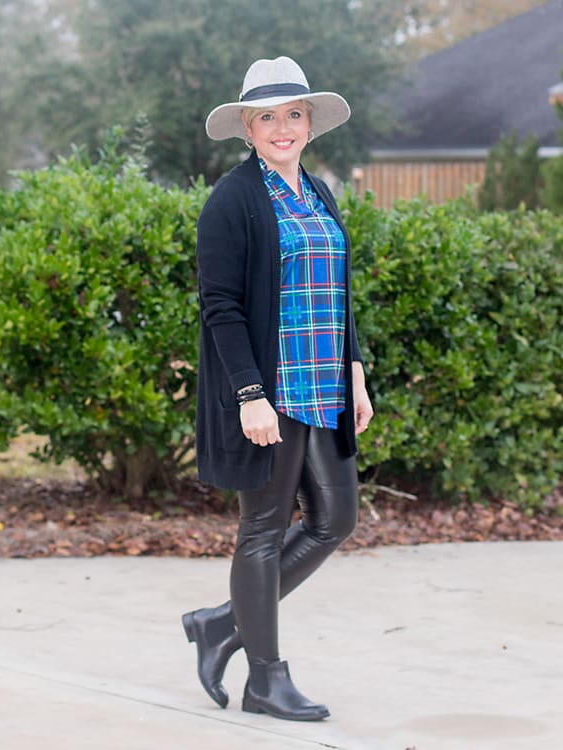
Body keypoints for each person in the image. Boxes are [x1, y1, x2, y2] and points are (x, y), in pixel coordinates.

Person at [182, 56, 374, 722]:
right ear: (247, 125)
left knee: (336, 520)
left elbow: (336, 292)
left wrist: (354, 369)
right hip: (273, 391)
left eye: (294, 114)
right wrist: (248, 395)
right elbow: (221, 307)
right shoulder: (233, 199)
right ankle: (265, 678)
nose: (282, 127)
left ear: (310, 122)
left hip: (324, 384)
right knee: (262, 532)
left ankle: (220, 623)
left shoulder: (318, 191)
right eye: (268, 117)